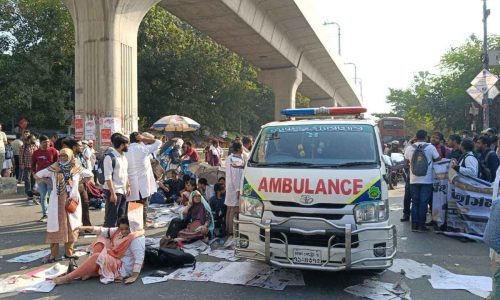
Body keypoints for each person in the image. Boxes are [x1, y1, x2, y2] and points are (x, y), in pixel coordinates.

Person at [34, 148, 93, 263]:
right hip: (57, 202)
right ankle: (53, 254)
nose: (63, 158)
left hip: (72, 201)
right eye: (61, 156)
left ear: (70, 156)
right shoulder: (54, 168)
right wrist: (49, 182)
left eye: (65, 156)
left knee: (72, 225)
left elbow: (89, 175)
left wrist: (78, 183)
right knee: (56, 226)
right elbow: (38, 175)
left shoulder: (76, 168)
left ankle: (69, 253)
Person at [54, 216, 145, 285]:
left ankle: (68, 278)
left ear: (132, 227)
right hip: (115, 257)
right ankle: (88, 270)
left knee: (97, 257)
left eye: (126, 229)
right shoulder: (118, 231)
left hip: (123, 266)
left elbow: (139, 258)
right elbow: (102, 230)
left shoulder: (135, 238)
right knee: (101, 240)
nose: (124, 231)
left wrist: (134, 276)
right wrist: (84, 228)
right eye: (122, 229)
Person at [404, 130, 440, 232]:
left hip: (413, 179)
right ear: (426, 137)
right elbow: (438, 159)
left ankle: (414, 225)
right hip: (427, 180)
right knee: (423, 202)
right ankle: (421, 225)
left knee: (415, 202)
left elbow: (406, 162)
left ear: (416, 136)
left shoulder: (409, 148)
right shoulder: (430, 147)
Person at [126, 132, 161, 224]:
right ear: (139, 138)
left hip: (130, 182)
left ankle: (133, 223)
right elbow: (158, 142)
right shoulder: (143, 148)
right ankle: (141, 223)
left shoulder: (126, 150)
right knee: (143, 204)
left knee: (133, 204)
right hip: (143, 183)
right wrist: (144, 138)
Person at [103, 134, 130, 227]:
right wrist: (113, 193)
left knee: (121, 216)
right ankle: (110, 237)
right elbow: (108, 177)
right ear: (122, 145)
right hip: (114, 191)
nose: (128, 146)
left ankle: (119, 237)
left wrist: (128, 186)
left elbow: (125, 173)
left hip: (123, 191)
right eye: (127, 144)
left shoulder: (124, 157)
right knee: (112, 217)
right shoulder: (110, 157)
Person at [31, 135, 59, 222]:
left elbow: (57, 163)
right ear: (40, 142)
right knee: (43, 197)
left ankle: (53, 214)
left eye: (48, 142)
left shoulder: (53, 151)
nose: (47, 144)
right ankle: (45, 214)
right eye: (44, 142)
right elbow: (32, 165)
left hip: (51, 177)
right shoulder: (36, 153)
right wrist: (34, 174)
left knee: (52, 196)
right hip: (40, 178)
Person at [225, 142, 245, 241]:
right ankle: (231, 232)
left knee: (229, 209)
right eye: (242, 147)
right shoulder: (236, 159)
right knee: (233, 210)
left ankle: (227, 230)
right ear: (238, 149)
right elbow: (236, 176)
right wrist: (238, 189)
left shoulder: (229, 157)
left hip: (229, 186)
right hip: (234, 187)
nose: (243, 149)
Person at [20, 134, 39, 205]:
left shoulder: (36, 146)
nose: (34, 140)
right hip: (26, 166)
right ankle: (29, 194)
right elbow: (21, 156)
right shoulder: (23, 147)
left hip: (34, 167)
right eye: (33, 139)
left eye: (35, 139)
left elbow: (38, 156)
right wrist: (21, 164)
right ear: (29, 139)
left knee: (33, 180)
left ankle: (33, 194)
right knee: (27, 180)